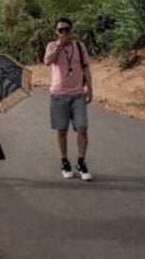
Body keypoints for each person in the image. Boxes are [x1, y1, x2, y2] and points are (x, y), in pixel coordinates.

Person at [43, 17, 93, 181]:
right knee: (62, 130)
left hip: (78, 94)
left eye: (67, 29)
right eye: (60, 30)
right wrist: (59, 46)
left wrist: (90, 89)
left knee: (82, 128)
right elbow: (47, 62)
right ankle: (64, 162)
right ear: (56, 32)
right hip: (58, 94)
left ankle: (81, 162)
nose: (64, 32)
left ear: (71, 30)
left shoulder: (79, 46)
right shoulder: (52, 45)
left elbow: (85, 67)